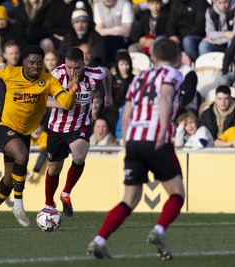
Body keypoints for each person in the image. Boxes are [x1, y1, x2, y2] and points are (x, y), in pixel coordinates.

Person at [87, 38, 184, 260]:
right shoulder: (173, 74)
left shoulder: (140, 76)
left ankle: (100, 240)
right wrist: (161, 132)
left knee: (130, 198)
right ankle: (159, 231)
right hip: (155, 139)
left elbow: (127, 110)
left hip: (133, 139)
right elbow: (166, 98)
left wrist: (125, 136)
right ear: (177, 59)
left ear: (153, 58)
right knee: (177, 193)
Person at [0, 45, 78, 230]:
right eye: (31, 62)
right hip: (3, 126)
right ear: (24, 62)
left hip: (23, 133)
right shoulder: (9, 72)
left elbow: (66, 104)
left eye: (39, 63)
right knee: (22, 156)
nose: (35, 66)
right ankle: (18, 205)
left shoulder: (48, 80)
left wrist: (71, 90)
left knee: (9, 179)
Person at [44, 47, 112, 217]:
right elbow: (43, 99)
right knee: (54, 170)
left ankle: (66, 193)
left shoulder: (93, 74)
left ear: (84, 64)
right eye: (69, 67)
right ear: (64, 64)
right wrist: (64, 102)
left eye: (76, 68)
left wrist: (108, 95)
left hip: (80, 125)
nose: (72, 72)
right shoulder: (56, 75)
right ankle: (48, 203)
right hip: (57, 128)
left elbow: (107, 73)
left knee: (80, 156)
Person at [58, 2, 106, 66]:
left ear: (87, 23)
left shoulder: (96, 37)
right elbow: (61, 55)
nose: (80, 26)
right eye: (77, 22)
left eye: (83, 22)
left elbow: (99, 59)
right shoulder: (68, 37)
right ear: (73, 25)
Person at [93, 0, 135, 66]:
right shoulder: (98, 6)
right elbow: (98, 30)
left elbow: (127, 31)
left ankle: (111, 66)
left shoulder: (125, 4)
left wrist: (104, 31)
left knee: (107, 41)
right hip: (105, 38)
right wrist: (117, 29)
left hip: (125, 39)